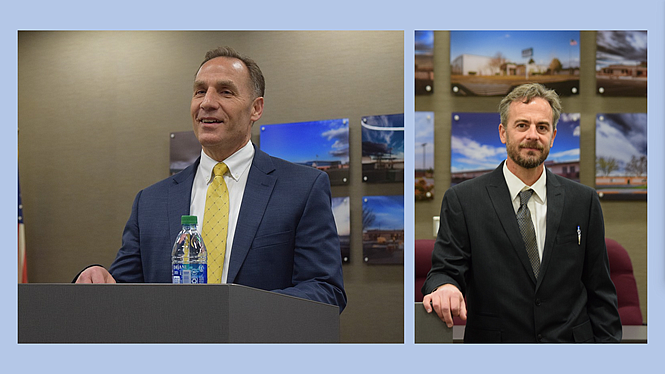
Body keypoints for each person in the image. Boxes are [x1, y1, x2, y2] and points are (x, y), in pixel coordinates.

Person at [75, 46, 346, 313]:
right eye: (200, 91)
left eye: (225, 92)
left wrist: (234, 312)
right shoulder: (150, 201)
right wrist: (98, 277)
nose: (207, 103)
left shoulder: (303, 189)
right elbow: (124, 289)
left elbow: (324, 289)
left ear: (256, 108)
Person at [422, 83, 621, 342]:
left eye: (542, 127)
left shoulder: (584, 201)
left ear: (553, 135)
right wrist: (444, 286)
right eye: (522, 125)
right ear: (503, 132)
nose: (532, 135)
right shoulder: (463, 200)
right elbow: (444, 269)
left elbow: (600, 291)